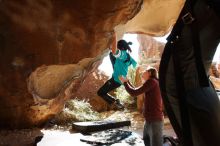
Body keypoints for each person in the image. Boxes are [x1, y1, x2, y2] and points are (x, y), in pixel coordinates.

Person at [119, 67, 164, 146]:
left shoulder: (151, 81)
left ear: (149, 73)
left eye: (145, 71)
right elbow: (136, 91)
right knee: (147, 141)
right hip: (150, 119)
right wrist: (127, 82)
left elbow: (134, 93)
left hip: (155, 119)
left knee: (155, 144)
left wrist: (125, 83)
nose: (143, 72)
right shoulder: (153, 82)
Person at [97, 34, 137, 110]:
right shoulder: (128, 56)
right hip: (119, 80)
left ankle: (116, 102)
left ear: (121, 47)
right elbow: (135, 64)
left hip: (115, 80)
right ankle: (116, 102)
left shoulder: (123, 55)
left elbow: (115, 51)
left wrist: (114, 35)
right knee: (112, 54)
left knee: (100, 92)